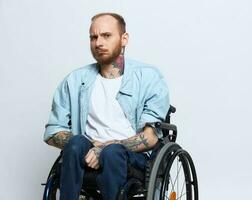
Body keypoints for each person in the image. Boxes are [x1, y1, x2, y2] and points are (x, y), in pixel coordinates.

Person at [44, 12, 170, 200]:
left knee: (112, 153)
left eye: (106, 35)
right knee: (76, 142)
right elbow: (53, 133)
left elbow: (150, 138)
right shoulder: (75, 81)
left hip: (131, 159)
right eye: (93, 37)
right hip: (87, 155)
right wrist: (92, 146)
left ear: (124, 38)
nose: (98, 43)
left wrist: (103, 149)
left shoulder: (149, 77)